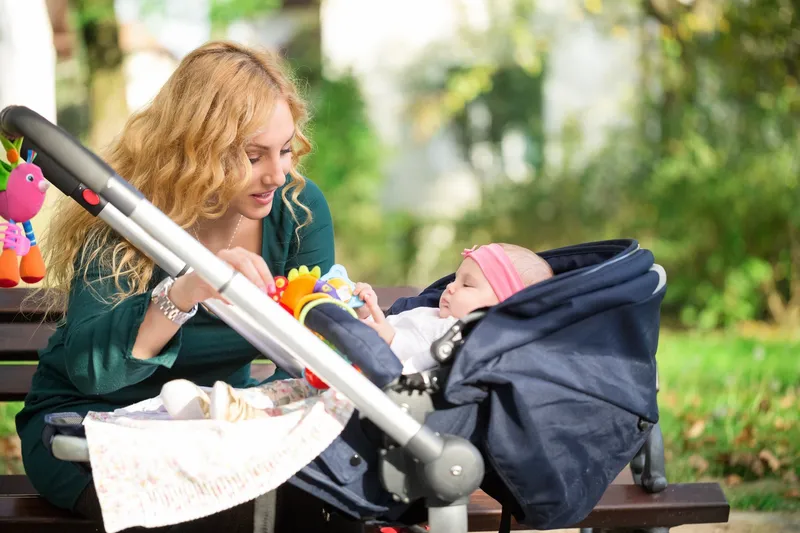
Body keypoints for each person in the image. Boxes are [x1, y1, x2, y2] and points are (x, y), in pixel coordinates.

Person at [15, 41, 362, 533]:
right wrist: (184, 292)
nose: (278, 172)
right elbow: (93, 374)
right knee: (197, 512)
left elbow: (310, 354)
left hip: (210, 424)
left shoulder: (299, 211)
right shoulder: (126, 220)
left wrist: (353, 328)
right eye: (254, 155)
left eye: (285, 149)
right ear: (199, 148)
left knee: (326, 502)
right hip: (91, 426)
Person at [355, 243, 553, 374]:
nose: (450, 287)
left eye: (466, 285)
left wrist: (390, 339)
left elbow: (420, 365)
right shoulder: (431, 313)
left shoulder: (460, 337)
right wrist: (367, 311)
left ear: (499, 307)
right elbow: (392, 324)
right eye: (455, 278)